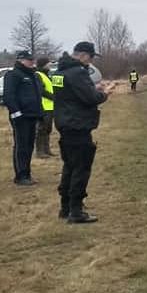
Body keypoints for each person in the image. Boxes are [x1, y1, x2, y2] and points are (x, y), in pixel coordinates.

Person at [52, 42, 114, 224]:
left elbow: (72, 95)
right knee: (81, 168)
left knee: (69, 167)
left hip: (65, 125)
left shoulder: (59, 72)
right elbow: (91, 98)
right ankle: (76, 211)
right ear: (83, 55)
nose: (91, 61)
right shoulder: (78, 72)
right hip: (78, 126)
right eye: (91, 57)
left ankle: (65, 207)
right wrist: (105, 93)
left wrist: (92, 90)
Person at [4, 50, 44, 185]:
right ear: (21, 60)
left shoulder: (33, 75)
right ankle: (20, 176)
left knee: (29, 146)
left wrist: (40, 113)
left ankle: (27, 173)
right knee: (21, 146)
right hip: (21, 117)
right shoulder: (13, 75)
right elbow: (9, 96)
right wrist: (17, 114)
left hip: (33, 115)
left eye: (32, 60)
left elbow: (38, 96)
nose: (32, 62)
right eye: (29, 60)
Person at [35, 57, 55, 158]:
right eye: (48, 63)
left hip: (50, 107)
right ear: (43, 64)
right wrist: (53, 97)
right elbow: (41, 90)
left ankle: (47, 150)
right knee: (41, 129)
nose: (50, 65)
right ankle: (40, 151)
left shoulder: (46, 75)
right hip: (43, 106)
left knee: (48, 129)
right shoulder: (38, 75)